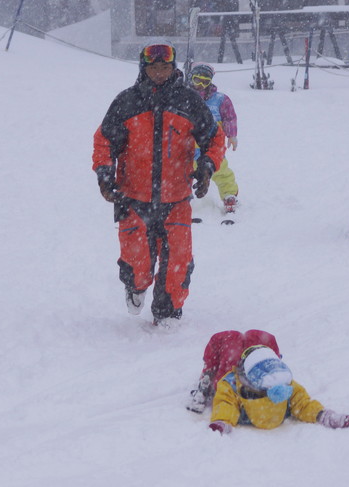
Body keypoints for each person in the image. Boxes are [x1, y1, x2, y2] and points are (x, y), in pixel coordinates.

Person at [92, 41, 226, 327]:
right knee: (138, 267)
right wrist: (105, 175)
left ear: (173, 67)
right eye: (154, 66)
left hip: (176, 200)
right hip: (133, 200)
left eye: (165, 66)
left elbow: (214, 138)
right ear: (144, 67)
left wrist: (206, 167)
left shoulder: (189, 100)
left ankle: (167, 313)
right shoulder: (126, 101)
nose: (160, 72)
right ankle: (136, 287)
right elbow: (104, 140)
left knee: (178, 263)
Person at [186, 330, 349, 434]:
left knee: (231, 340)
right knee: (256, 338)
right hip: (254, 362)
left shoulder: (231, 383)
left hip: (239, 366)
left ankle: (208, 373)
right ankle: (211, 371)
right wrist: (324, 416)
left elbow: (226, 404)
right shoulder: (283, 384)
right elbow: (303, 404)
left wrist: (222, 423)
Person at [188, 62, 240, 214]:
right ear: (191, 79)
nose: (201, 85)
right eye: (197, 80)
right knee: (182, 174)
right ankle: (182, 199)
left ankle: (229, 195)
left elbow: (229, 118)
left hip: (212, 150)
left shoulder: (220, 100)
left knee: (222, 172)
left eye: (205, 82)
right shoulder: (184, 97)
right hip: (188, 149)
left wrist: (232, 135)